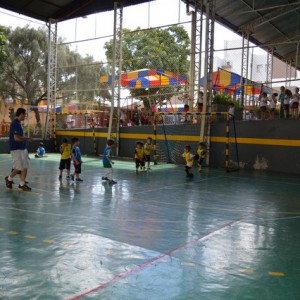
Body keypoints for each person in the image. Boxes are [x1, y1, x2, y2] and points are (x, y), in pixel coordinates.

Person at [5, 107, 32, 191]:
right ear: (20, 114)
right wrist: (27, 139)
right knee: (18, 167)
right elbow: (16, 138)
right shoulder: (14, 124)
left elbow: (20, 136)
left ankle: (22, 184)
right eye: (24, 115)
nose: (25, 117)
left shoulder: (20, 123)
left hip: (23, 148)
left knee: (25, 166)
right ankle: (9, 179)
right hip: (16, 149)